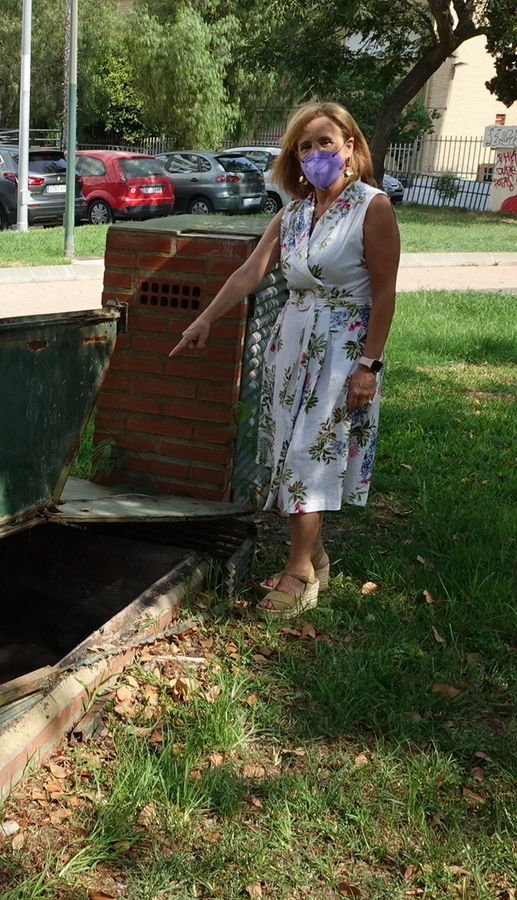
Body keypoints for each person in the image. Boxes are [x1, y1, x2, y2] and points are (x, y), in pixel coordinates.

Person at [170, 101, 400, 619]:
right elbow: (250, 274)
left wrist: (369, 365)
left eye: (325, 142)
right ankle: (316, 556)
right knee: (287, 451)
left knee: (308, 456)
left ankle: (299, 574)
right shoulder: (291, 214)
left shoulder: (373, 207)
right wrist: (204, 319)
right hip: (291, 346)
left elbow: (385, 292)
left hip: (342, 350)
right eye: (305, 146)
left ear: (349, 147)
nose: (316, 153)